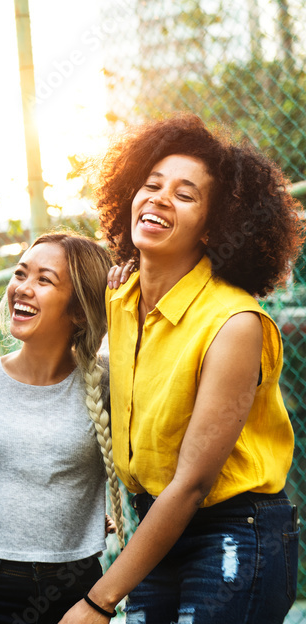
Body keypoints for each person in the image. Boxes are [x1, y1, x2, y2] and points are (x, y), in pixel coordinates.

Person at [59, 114, 302, 623]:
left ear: (214, 225)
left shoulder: (234, 323)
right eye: (150, 185)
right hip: (157, 529)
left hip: (234, 531)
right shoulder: (120, 297)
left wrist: (98, 603)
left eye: (185, 194)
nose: (159, 198)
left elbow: (192, 484)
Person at [0, 232, 125, 624]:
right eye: (20, 274)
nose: (22, 289)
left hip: (78, 585)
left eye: (44, 280)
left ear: (79, 311)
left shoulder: (111, 380)